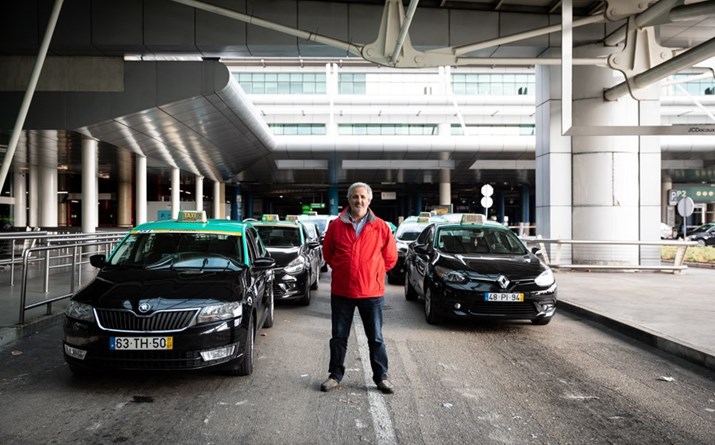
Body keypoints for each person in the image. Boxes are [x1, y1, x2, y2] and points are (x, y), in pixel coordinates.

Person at [320, 182, 398, 394]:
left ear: (369, 200)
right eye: (355, 197)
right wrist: (344, 268)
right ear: (349, 199)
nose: (359, 200)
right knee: (338, 337)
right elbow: (328, 254)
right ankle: (335, 375)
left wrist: (373, 272)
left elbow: (391, 258)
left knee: (376, 338)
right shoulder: (336, 226)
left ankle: (381, 376)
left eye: (363, 197)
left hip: (371, 293)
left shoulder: (381, 227)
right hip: (342, 291)